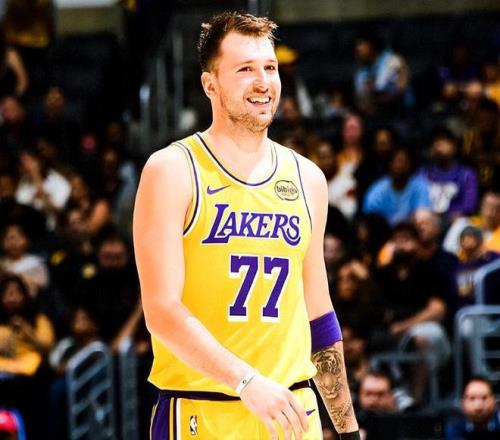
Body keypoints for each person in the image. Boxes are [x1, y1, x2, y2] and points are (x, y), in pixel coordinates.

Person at [133, 11, 359, 440]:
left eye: (270, 68)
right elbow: (161, 311)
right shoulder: (172, 170)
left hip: (295, 413)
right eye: (245, 70)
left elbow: (318, 312)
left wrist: (348, 430)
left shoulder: (308, 178)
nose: (263, 82)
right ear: (210, 85)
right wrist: (246, 381)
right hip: (203, 411)